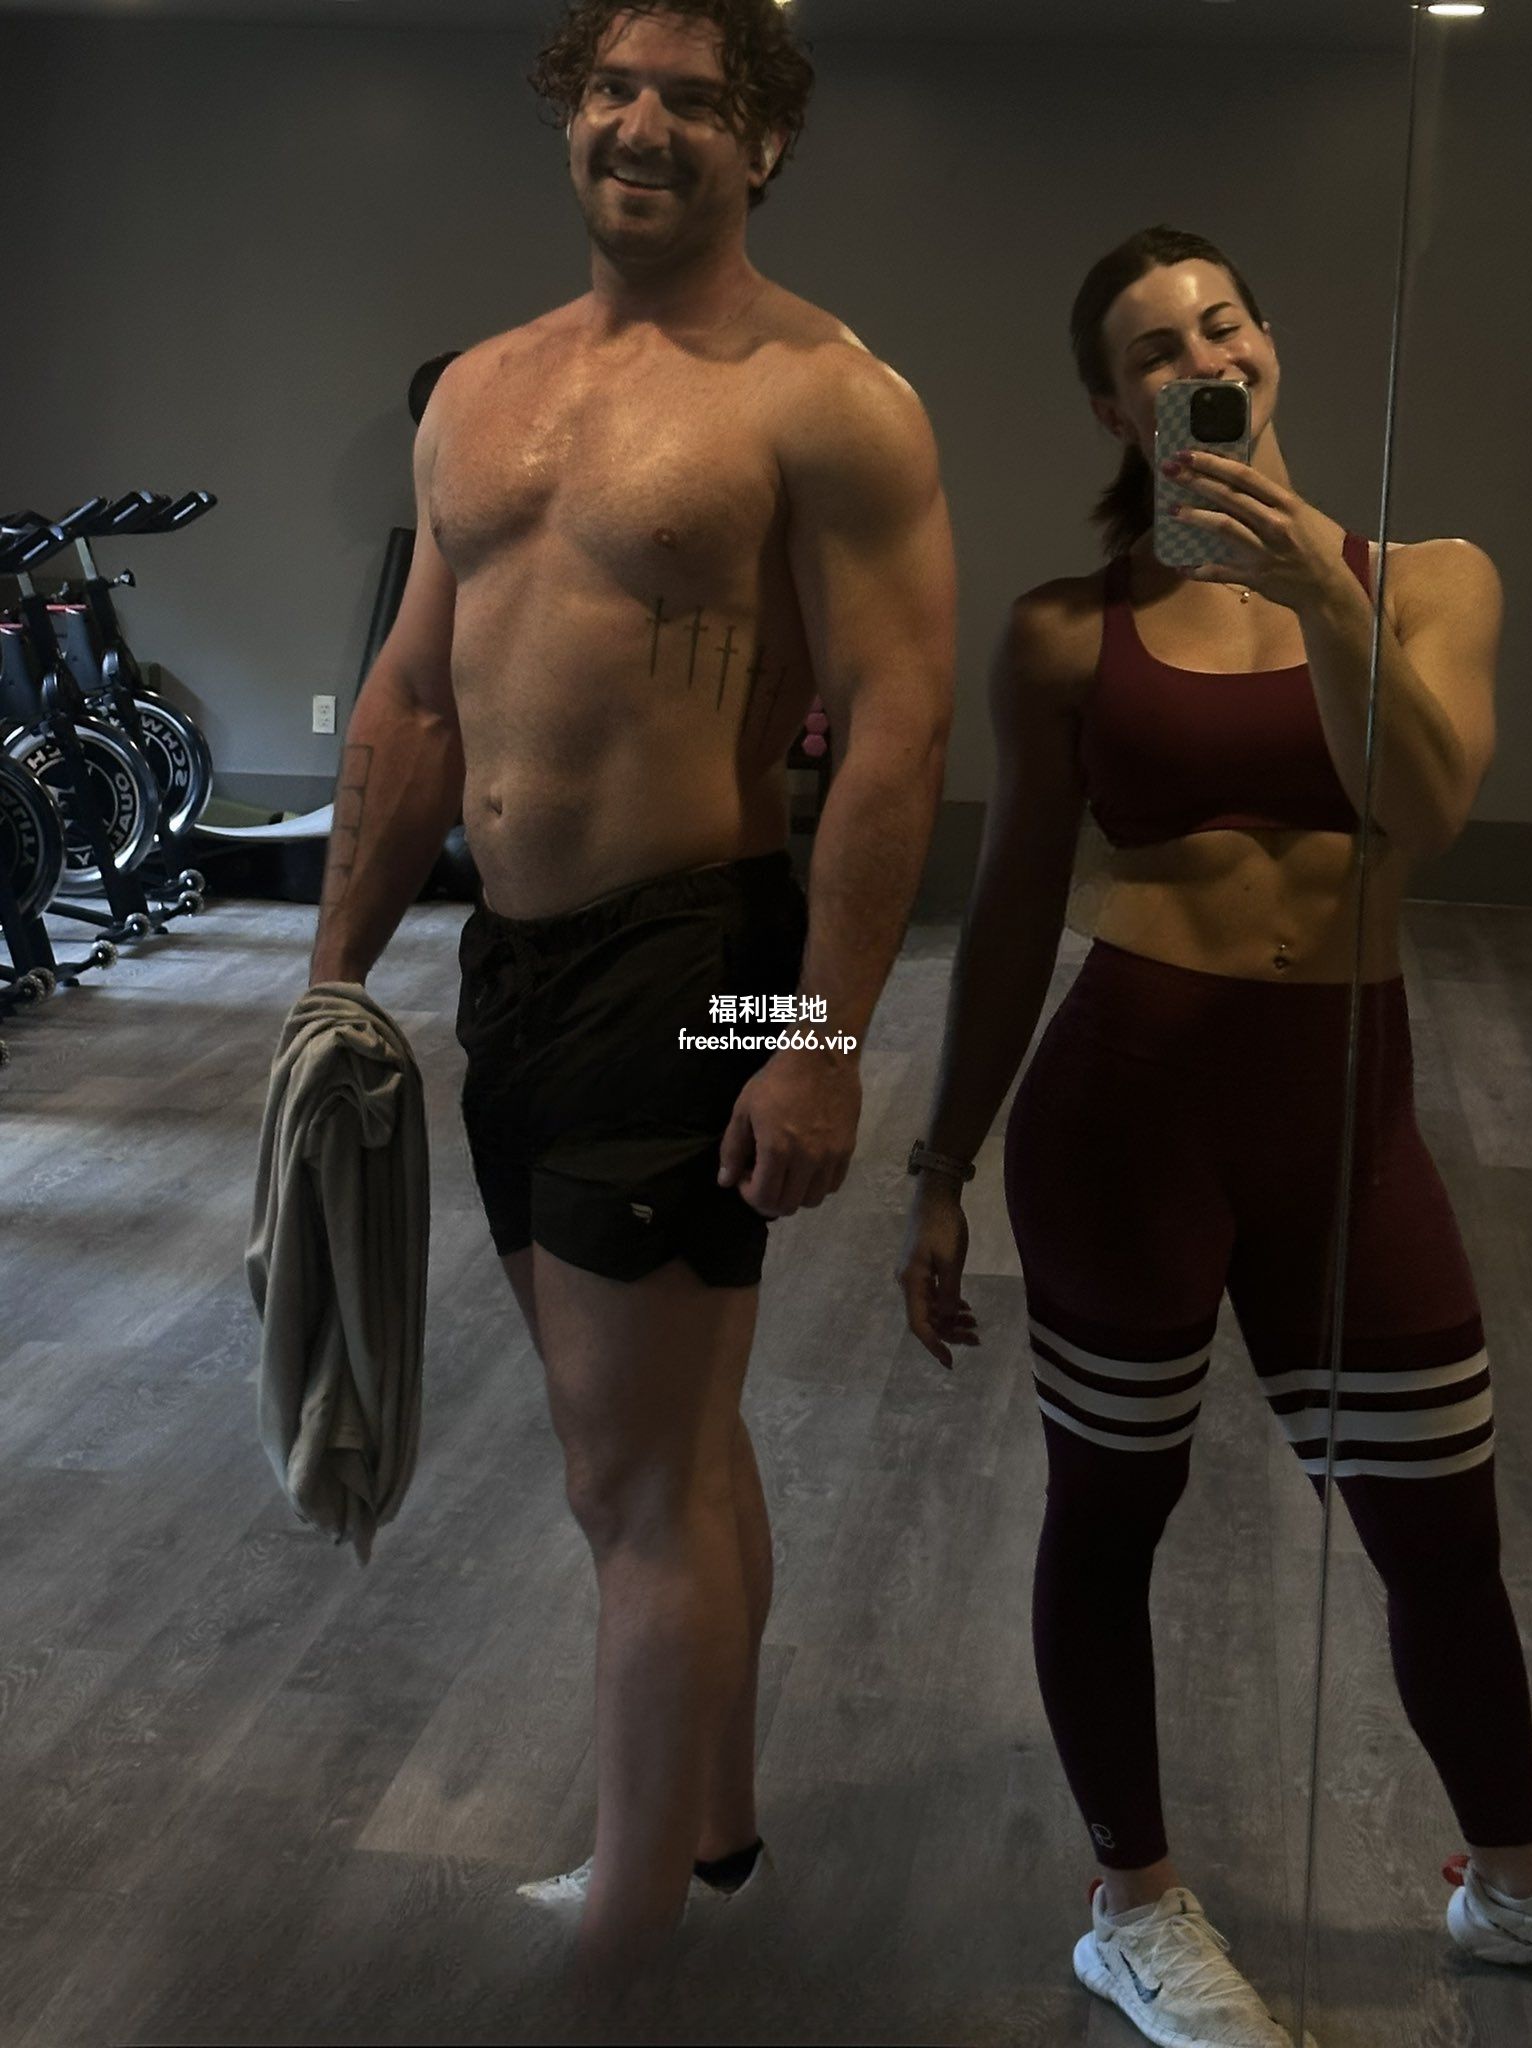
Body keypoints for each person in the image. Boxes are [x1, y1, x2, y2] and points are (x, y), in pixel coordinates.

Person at [308, 0, 955, 1984]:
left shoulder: (829, 397)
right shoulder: (479, 393)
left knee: (631, 1476)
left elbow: (900, 732)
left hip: (705, 955)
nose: (642, 124)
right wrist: (332, 974)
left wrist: (819, 1044)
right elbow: (415, 698)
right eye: (612, 87)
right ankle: (715, 1830)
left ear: (764, 142)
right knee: (682, 1432)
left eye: (694, 97)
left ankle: (627, 1942)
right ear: (566, 114)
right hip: (513, 965)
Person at [897, 224, 1532, 2048]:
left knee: (1441, 1528)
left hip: (1346, 1119)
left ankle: (1515, 1881)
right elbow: (1012, 909)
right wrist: (938, 1165)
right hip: (1127, 1121)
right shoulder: (1063, 631)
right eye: (1155, 351)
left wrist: (1319, 590)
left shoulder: (1431, 582)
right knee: (1112, 1513)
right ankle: (1135, 1909)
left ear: (1270, 343)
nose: (1203, 360)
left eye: (1223, 322)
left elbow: (1424, 809)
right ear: (1117, 408)